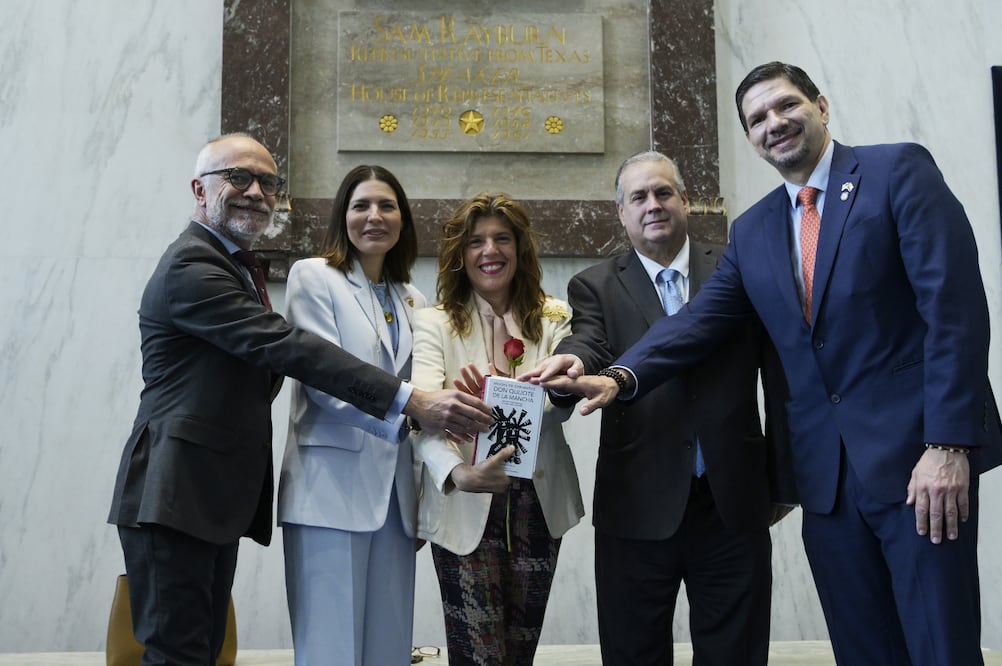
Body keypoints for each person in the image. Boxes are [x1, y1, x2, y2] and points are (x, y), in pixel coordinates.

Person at [526, 63, 1002, 666]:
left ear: (821, 106)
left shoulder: (896, 171)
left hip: (919, 466)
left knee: (940, 645)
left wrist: (948, 444)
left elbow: (954, 310)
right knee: (864, 649)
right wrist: (620, 377)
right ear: (749, 137)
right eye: (757, 119)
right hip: (826, 486)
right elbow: (695, 324)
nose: (774, 124)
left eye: (785, 106)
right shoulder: (752, 232)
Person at [107, 134, 493, 666]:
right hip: (176, 487)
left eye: (268, 182)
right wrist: (413, 401)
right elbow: (291, 350)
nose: (256, 192)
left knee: (198, 649)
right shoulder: (193, 266)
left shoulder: (242, 265)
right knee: (181, 653)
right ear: (199, 189)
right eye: (238, 178)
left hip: (215, 494)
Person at [532, 150, 795, 665]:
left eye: (663, 192)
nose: (652, 205)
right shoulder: (596, 285)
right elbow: (588, 344)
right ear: (621, 213)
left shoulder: (739, 267)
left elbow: (781, 382)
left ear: (686, 201)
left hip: (732, 504)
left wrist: (784, 481)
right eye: (639, 197)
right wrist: (568, 365)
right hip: (636, 506)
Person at [410, 193, 584, 665]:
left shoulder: (555, 316)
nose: (490, 250)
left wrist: (505, 397)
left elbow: (564, 399)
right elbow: (421, 416)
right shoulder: (432, 323)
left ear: (520, 248)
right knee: (478, 655)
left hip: (538, 504)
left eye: (502, 238)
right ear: (459, 254)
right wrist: (456, 472)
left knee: (518, 652)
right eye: (476, 241)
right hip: (465, 496)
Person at [277, 165, 427, 665]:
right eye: (361, 205)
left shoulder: (413, 298)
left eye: (387, 206)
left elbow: (427, 387)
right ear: (343, 215)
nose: (374, 216)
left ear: (403, 219)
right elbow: (326, 381)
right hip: (329, 488)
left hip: (397, 498)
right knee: (331, 649)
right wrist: (408, 414)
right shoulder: (314, 276)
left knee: (389, 647)